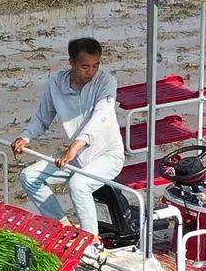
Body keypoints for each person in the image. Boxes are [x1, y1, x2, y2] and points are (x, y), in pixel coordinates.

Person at [11, 37, 124, 238]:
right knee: (29, 177)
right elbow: (42, 116)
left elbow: (100, 117)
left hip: (106, 155)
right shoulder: (56, 83)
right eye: (85, 66)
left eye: (96, 65)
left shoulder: (106, 82)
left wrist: (75, 147)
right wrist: (25, 137)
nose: (91, 71)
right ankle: (64, 228)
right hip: (77, 157)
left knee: (78, 185)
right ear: (71, 62)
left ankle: (91, 243)